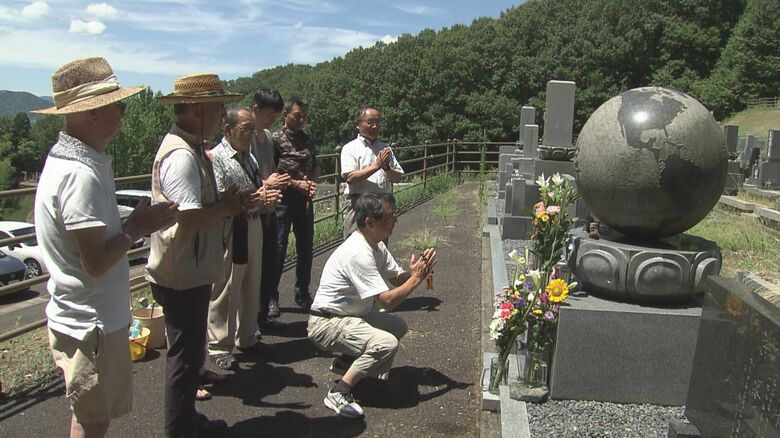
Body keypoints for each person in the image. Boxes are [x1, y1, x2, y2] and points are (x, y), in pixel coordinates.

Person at [32, 57, 178, 438]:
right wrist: (136, 228)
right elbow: (95, 263)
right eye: (119, 106)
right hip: (91, 325)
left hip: (83, 319)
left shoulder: (70, 160)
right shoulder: (81, 175)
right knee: (93, 422)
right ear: (93, 114)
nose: (123, 114)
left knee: (91, 415)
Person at [145, 73, 250, 438]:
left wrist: (223, 203)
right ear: (194, 110)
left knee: (189, 351)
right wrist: (226, 206)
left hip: (188, 267)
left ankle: (186, 420)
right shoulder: (181, 156)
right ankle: (180, 428)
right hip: (182, 271)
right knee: (184, 356)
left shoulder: (190, 148)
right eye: (217, 106)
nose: (223, 115)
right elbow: (187, 217)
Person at [307, 192, 437, 419]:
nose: (395, 219)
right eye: (390, 216)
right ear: (370, 222)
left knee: (397, 326)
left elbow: (397, 278)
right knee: (387, 343)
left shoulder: (375, 245)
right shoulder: (358, 251)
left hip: (349, 316)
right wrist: (416, 279)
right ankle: (339, 392)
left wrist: (416, 272)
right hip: (326, 323)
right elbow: (387, 301)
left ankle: (345, 362)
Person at [207, 107, 281, 369]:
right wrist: (257, 198)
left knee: (252, 281)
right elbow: (217, 196)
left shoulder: (248, 156)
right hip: (231, 227)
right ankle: (218, 344)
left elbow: (255, 189)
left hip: (253, 223)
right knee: (227, 285)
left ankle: (247, 336)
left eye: (253, 129)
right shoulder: (216, 158)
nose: (251, 134)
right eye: (245, 129)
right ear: (227, 130)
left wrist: (266, 195)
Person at [272, 96, 319, 310]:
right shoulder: (274, 140)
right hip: (282, 200)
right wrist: (295, 183)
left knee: (306, 248)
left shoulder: (307, 139)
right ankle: (271, 297)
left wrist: (312, 184)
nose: (301, 121)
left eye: (305, 117)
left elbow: (315, 164)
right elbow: (271, 172)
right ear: (285, 115)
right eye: (297, 116)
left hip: (304, 202)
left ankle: (302, 292)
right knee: (278, 248)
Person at [251, 89, 291, 326]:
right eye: (268, 115)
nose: (272, 121)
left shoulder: (266, 135)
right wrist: (268, 183)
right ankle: (250, 322)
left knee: (270, 263)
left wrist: (277, 179)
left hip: (271, 207)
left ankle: (262, 314)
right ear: (255, 109)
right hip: (256, 207)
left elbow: (269, 167)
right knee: (254, 269)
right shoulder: (244, 137)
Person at [340, 105, 404, 238]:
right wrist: (377, 166)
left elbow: (397, 177)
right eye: (370, 122)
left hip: (382, 203)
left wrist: (386, 168)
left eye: (377, 122)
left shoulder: (385, 148)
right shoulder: (350, 148)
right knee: (354, 245)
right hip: (358, 203)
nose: (375, 126)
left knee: (381, 247)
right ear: (358, 124)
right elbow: (351, 177)